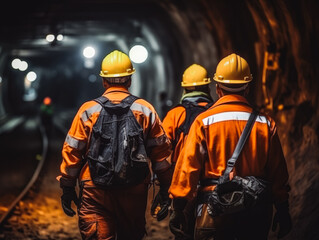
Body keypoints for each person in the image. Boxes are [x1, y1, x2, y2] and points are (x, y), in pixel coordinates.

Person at [168, 53, 292, 239]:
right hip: (256, 208)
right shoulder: (265, 123)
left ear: (217, 88)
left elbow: (188, 167)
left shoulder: (204, 121)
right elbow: (278, 173)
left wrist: (178, 207)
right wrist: (282, 209)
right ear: (247, 88)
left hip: (214, 206)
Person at [57, 50, 173, 240]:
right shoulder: (145, 109)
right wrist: (165, 188)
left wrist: (68, 187)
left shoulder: (88, 110)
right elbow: (161, 154)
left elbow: (73, 152)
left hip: (95, 189)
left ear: (104, 81)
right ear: (130, 80)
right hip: (134, 189)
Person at [152, 64, 213, 239]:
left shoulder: (175, 115)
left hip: (184, 187)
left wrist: (162, 185)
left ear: (184, 88)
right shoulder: (216, 114)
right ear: (208, 88)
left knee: (184, 231)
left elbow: (160, 151)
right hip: (213, 185)